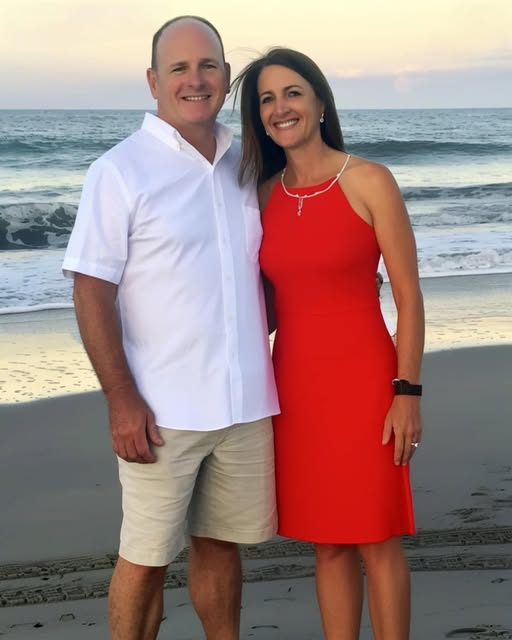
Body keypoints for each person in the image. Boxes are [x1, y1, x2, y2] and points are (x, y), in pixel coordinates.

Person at [62, 16, 279, 640]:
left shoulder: (247, 163)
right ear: (154, 81)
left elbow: (268, 269)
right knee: (146, 558)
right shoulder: (120, 171)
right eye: (179, 68)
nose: (195, 79)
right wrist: (121, 398)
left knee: (220, 545)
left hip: (245, 402)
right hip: (163, 409)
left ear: (226, 77)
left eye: (208, 65)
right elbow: (91, 290)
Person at [233, 48, 425, 640]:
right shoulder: (262, 196)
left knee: (377, 537)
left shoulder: (369, 180)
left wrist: (407, 393)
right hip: (295, 389)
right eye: (266, 99)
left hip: (368, 384)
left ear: (319, 101)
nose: (280, 108)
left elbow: (409, 297)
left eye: (292, 92)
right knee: (329, 542)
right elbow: (262, 309)